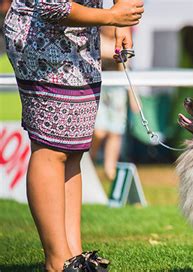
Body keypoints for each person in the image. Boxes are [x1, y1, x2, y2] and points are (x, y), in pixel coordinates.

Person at [3, 0, 144, 271]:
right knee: (51, 149)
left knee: (73, 150)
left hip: (81, 44)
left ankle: (74, 257)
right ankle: (57, 261)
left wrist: (123, 19)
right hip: (40, 42)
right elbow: (53, 7)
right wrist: (112, 16)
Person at [90, 26, 138, 181]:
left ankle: (109, 170)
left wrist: (133, 97)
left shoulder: (122, 39)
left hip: (117, 90)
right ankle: (89, 163)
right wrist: (119, 51)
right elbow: (107, 51)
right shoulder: (96, 37)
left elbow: (125, 68)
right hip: (98, 88)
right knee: (99, 131)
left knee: (115, 132)